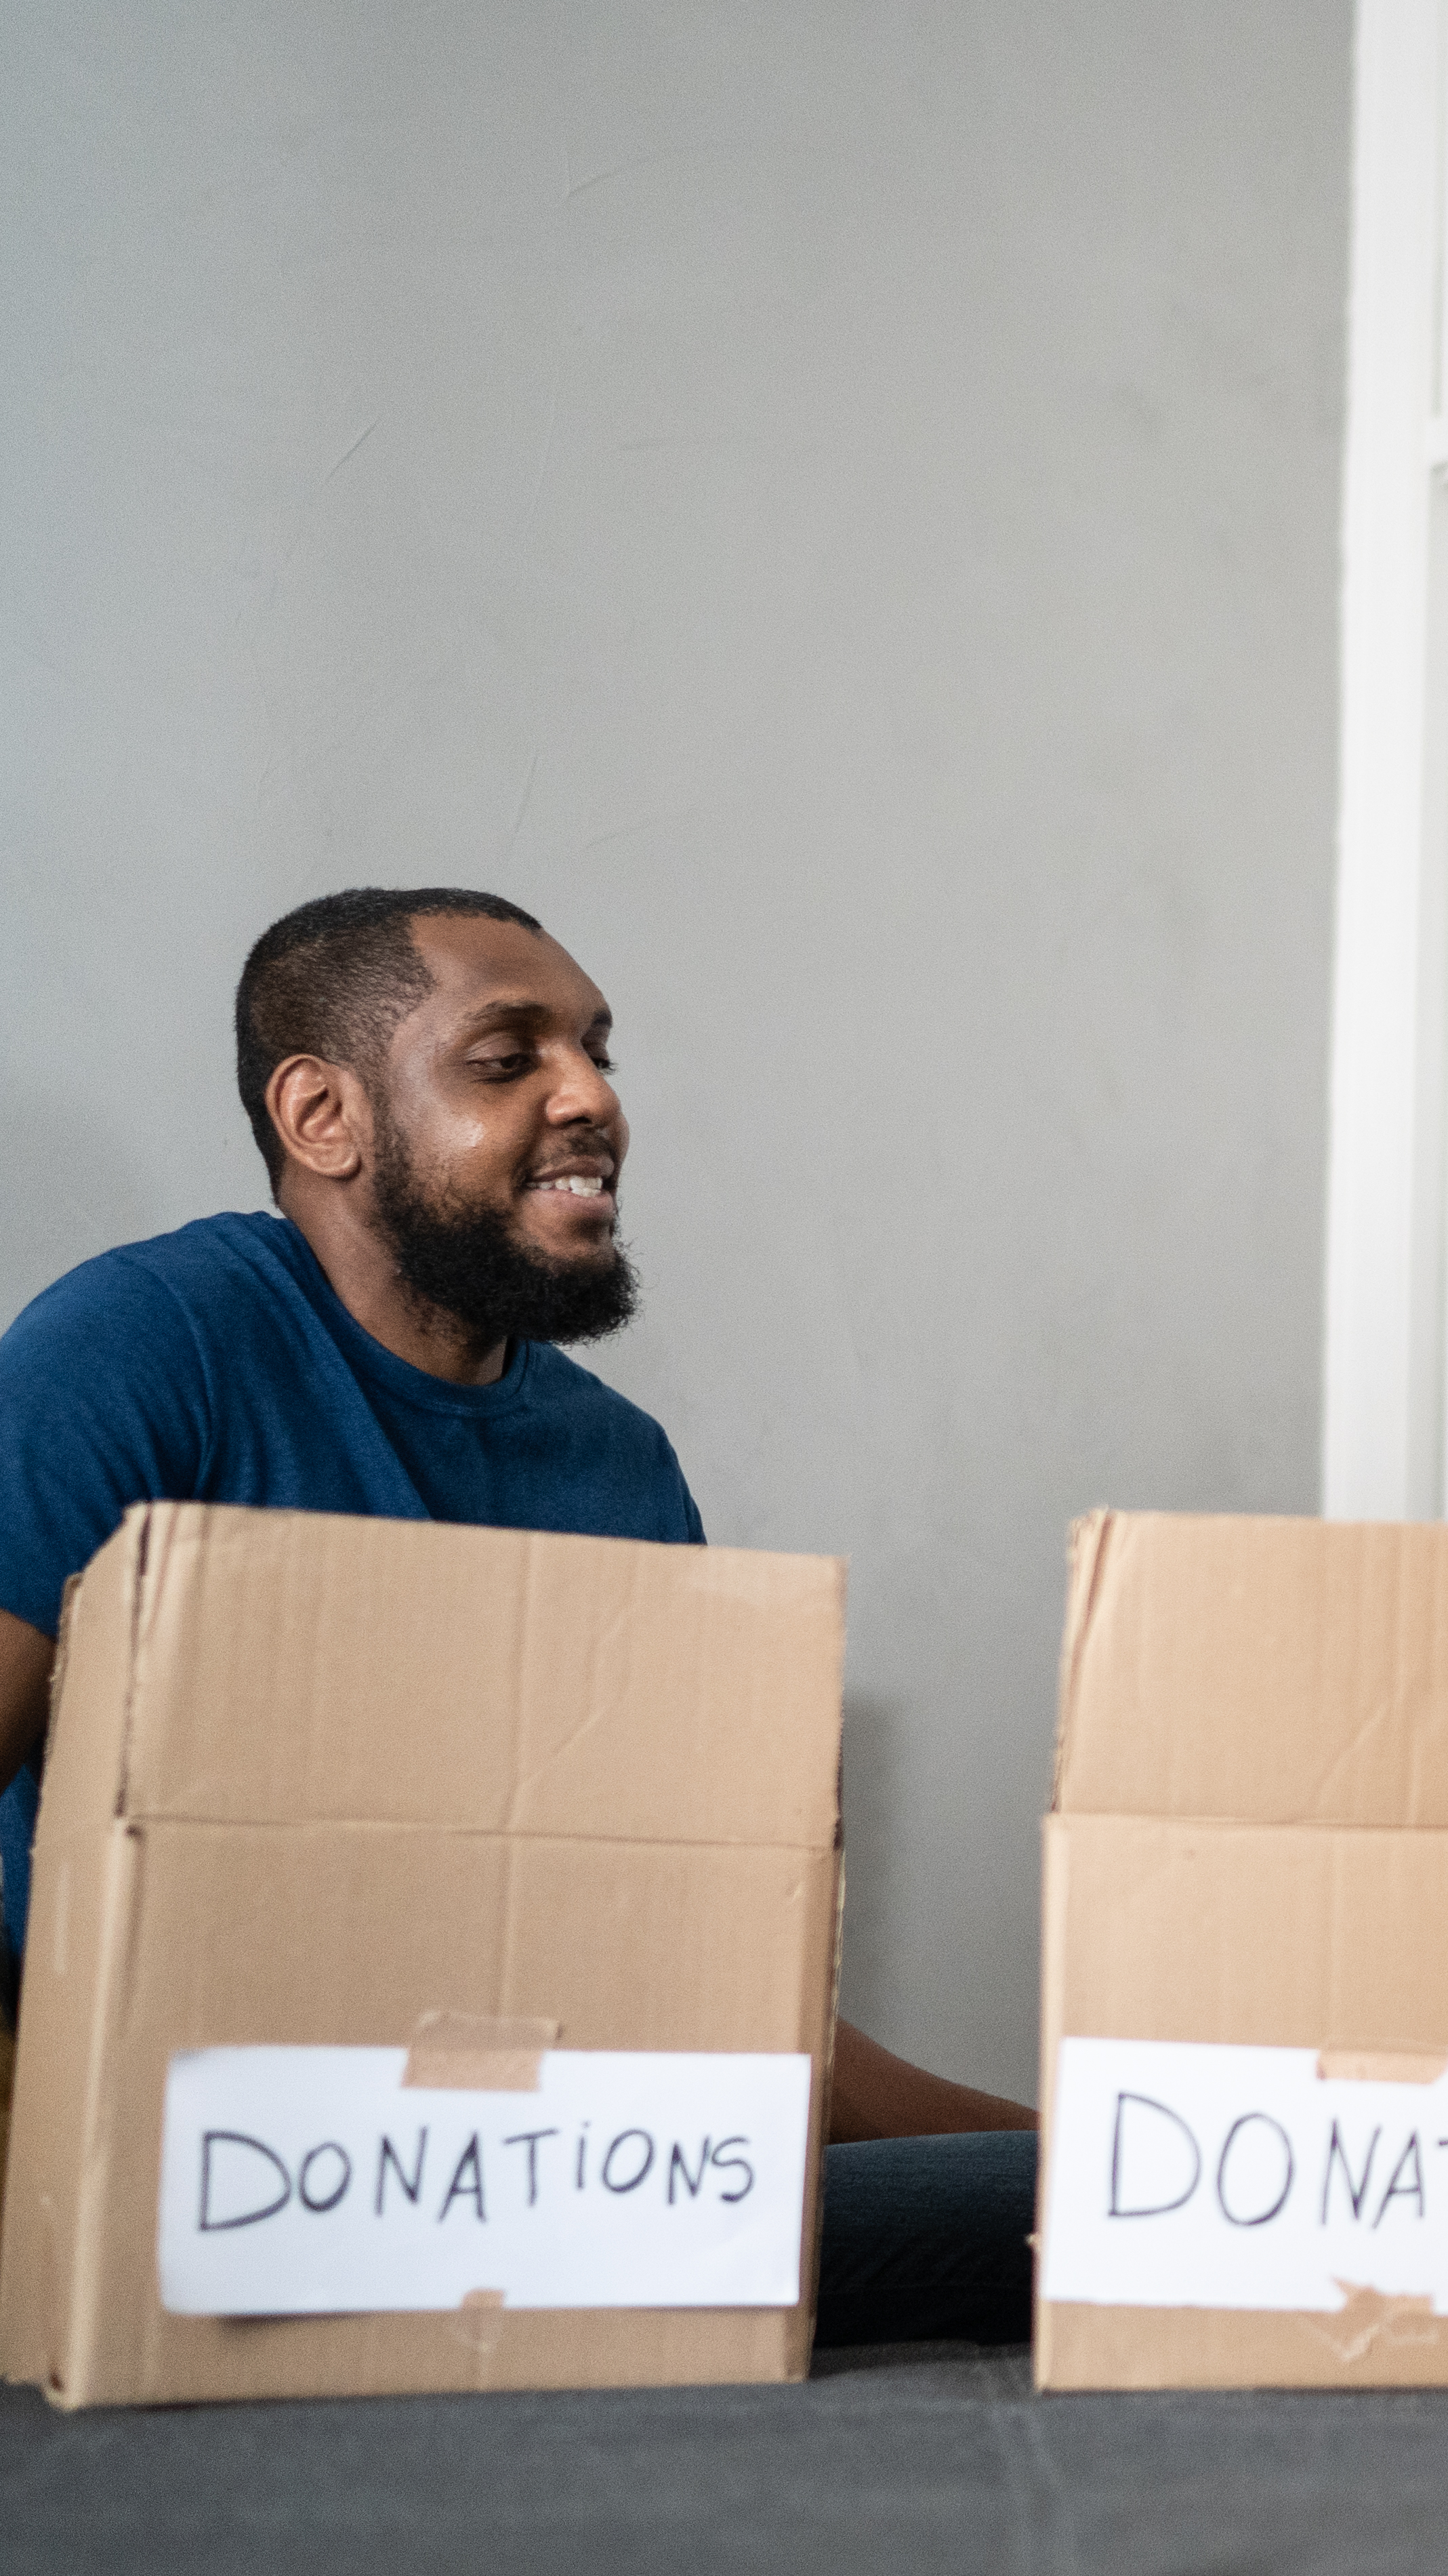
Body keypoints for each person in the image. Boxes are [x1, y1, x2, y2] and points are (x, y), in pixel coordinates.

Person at [0, 887, 1039, 2346]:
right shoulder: (142, 1346)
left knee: (1080, 2212)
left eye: (600, 1050)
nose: (593, 1096)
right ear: (323, 1114)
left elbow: (721, 1982)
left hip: (563, 2168)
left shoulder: (618, 1465)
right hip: (208, 2174)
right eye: (508, 1058)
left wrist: (1087, 2158)